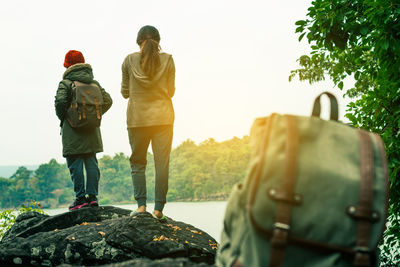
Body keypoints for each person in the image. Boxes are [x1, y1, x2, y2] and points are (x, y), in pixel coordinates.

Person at [121, 25, 175, 221]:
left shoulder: (129, 60)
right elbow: (170, 91)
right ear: (158, 41)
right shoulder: (168, 59)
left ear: (138, 41)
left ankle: (141, 207)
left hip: (137, 119)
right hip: (163, 119)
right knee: (162, 163)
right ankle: (159, 210)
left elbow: (125, 92)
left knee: (138, 163)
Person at [55, 50, 113, 211]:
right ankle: (93, 198)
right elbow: (108, 100)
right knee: (91, 161)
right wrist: (94, 115)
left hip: (72, 129)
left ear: (67, 65)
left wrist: (66, 117)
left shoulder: (66, 83)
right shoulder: (94, 83)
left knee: (75, 163)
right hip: (92, 129)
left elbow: (60, 102)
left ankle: (80, 199)